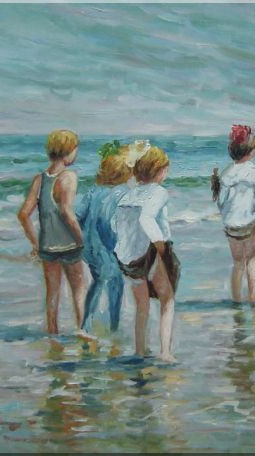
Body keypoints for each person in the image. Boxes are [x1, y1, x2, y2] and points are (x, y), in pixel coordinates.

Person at [113, 141, 180, 363]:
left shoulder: (128, 195)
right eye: (165, 169)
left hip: (127, 256)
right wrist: (161, 246)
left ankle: (140, 351)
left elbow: (116, 224)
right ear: (159, 171)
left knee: (141, 305)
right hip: (151, 251)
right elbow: (146, 218)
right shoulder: (158, 192)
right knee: (167, 299)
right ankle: (165, 352)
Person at [18, 129, 86, 335]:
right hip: (70, 244)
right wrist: (82, 239)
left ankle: (53, 335)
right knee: (78, 291)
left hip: (48, 246)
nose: (76, 153)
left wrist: (36, 244)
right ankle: (83, 331)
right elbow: (66, 212)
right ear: (67, 151)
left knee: (52, 293)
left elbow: (23, 214)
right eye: (75, 149)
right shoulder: (68, 177)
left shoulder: (39, 180)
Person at [76, 141, 131, 333]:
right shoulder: (122, 193)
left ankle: (87, 324)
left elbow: (77, 216)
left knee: (99, 280)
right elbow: (118, 223)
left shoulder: (92, 191)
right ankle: (112, 324)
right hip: (109, 244)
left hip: (88, 246)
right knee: (114, 282)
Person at [214, 125, 255, 304]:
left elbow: (221, 202)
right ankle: (252, 298)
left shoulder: (226, 174)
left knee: (238, 264)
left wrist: (229, 215)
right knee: (252, 260)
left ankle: (237, 301)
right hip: (251, 224)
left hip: (232, 227)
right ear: (251, 151)